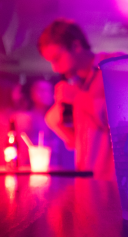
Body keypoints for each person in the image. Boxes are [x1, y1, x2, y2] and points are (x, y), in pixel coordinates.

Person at [38, 18, 116, 180]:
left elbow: (123, 120)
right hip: (86, 180)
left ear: (76, 46)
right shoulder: (75, 82)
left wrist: (78, 98)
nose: (54, 68)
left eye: (57, 59)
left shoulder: (113, 66)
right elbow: (77, 139)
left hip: (114, 186)